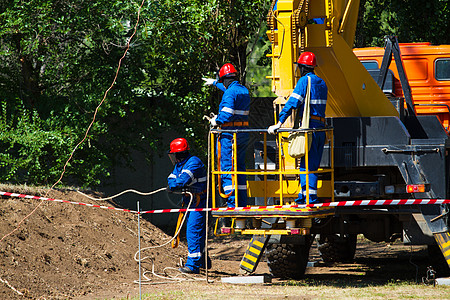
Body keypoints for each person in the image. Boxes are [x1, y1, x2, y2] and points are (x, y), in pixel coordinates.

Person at [268, 52, 328, 204]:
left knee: (306, 166)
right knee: (313, 165)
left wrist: (279, 123)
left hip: (310, 129)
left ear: (302, 67)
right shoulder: (322, 83)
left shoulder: (304, 81)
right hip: (321, 129)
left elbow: (292, 104)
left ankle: (308, 198)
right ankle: (307, 196)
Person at [203, 63, 250, 208]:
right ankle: (241, 202)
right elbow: (230, 89)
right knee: (240, 169)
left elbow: (227, 114)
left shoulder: (230, 93)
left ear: (225, 79)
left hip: (230, 136)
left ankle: (231, 202)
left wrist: (215, 120)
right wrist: (215, 83)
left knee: (227, 168)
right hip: (242, 135)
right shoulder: (243, 91)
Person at [166, 138, 209, 274]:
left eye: (174, 154)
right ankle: (202, 262)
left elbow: (180, 181)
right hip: (190, 201)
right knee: (197, 232)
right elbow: (171, 178)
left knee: (193, 231)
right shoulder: (180, 164)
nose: (173, 158)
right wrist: (173, 183)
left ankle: (193, 266)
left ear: (180, 153)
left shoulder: (193, 162)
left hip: (198, 201)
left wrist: (173, 185)